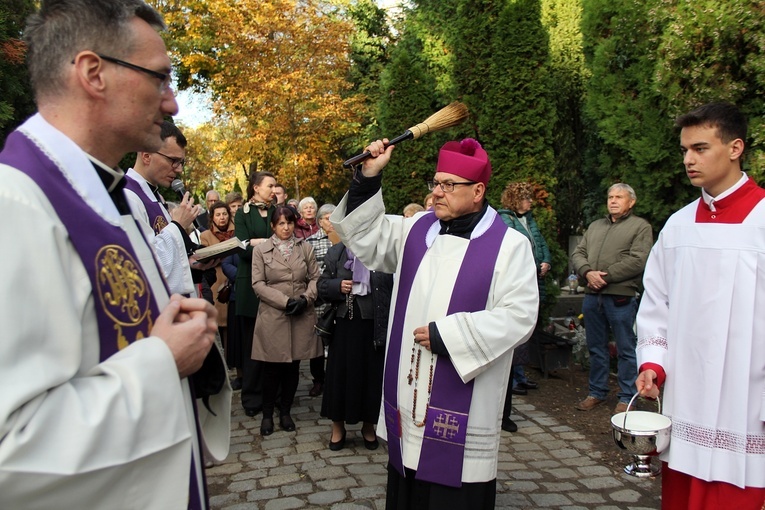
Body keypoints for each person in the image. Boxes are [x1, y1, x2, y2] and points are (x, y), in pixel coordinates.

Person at [0, 1, 229, 508]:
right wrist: (162, 361)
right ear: (93, 73)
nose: (171, 103)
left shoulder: (112, 193)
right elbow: (10, 450)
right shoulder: (14, 205)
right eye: (161, 78)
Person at [331, 137, 539, 508]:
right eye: (436, 183)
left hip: (465, 402)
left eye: (448, 185)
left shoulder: (510, 245)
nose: (437, 192)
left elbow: (520, 315)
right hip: (410, 397)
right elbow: (364, 235)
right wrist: (368, 176)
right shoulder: (416, 229)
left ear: (477, 191)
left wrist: (450, 335)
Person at [636, 102, 765, 509]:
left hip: (746, 400)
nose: (689, 159)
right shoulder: (678, 226)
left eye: (701, 148)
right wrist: (653, 364)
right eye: (684, 150)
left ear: (735, 148)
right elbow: (657, 302)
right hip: (687, 395)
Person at [570, 183, 653, 414]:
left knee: (626, 348)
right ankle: (596, 392)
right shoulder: (596, 226)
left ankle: (627, 396)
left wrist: (606, 277)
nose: (613, 200)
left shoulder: (640, 227)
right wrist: (587, 272)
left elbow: (638, 259)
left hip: (620, 296)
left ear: (631, 202)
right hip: (592, 296)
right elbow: (578, 253)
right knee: (596, 347)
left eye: (619, 197)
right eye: (610, 196)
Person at [251, 205, 322, 435]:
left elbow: (315, 278)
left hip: (300, 314)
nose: (286, 227)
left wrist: (305, 298)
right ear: (273, 226)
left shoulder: (305, 248)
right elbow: (258, 284)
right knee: (272, 368)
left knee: (293, 366)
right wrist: (284, 301)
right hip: (274, 315)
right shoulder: (261, 250)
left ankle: (285, 412)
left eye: (289, 222)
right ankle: (267, 414)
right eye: (281, 223)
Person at [318, 242, 393, 451]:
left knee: (371, 376)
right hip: (344, 325)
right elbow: (321, 286)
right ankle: (337, 427)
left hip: (373, 325)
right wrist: (337, 286)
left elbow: (392, 286)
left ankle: (368, 427)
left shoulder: (381, 251)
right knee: (339, 376)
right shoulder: (337, 252)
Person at [124, 121, 206, 295]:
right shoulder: (128, 197)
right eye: (173, 161)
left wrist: (194, 263)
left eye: (181, 162)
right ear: (146, 155)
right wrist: (177, 225)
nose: (179, 169)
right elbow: (144, 264)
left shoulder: (155, 196)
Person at [498, 182, 552, 432]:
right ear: (513, 200)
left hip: (533, 282)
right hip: (514, 287)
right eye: (525, 198)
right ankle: (501, 411)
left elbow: (539, 244)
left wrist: (545, 261)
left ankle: (514, 385)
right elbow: (514, 251)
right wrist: (531, 264)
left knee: (523, 339)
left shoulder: (530, 221)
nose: (530, 202)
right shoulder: (504, 220)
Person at [234, 171, 277, 416]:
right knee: (252, 345)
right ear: (256, 188)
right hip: (250, 286)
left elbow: (285, 242)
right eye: (269, 185)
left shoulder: (277, 212)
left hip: (275, 283)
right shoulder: (242, 213)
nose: (273, 189)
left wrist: (257, 242)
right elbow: (241, 247)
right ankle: (252, 399)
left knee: (275, 344)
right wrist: (265, 244)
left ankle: (276, 396)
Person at [304, 203, 338, 397]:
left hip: (340, 299)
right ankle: (318, 379)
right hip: (319, 300)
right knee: (317, 342)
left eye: (335, 217)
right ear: (319, 222)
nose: (331, 222)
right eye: (327, 218)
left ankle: (335, 378)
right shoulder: (310, 243)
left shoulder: (346, 241)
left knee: (337, 341)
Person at [200, 201, 235, 356]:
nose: (222, 218)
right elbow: (205, 256)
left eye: (225, 214)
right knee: (218, 324)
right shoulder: (206, 235)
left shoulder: (237, 232)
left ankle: (232, 358)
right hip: (216, 283)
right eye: (218, 214)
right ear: (212, 217)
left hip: (233, 280)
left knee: (232, 325)